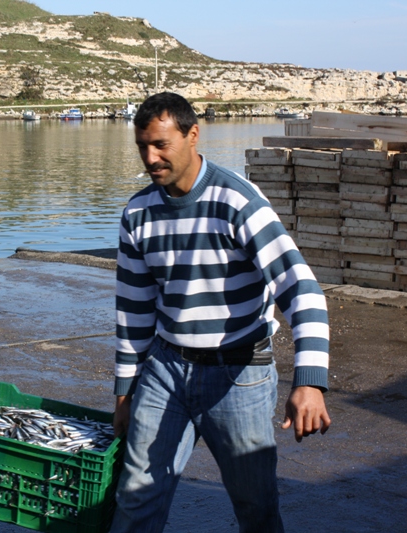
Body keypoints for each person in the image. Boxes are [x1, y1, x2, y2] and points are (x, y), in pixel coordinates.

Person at [110, 92, 331, 533]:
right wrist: (124, 392)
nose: (150, 158)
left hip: (239, 371)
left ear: (193, 135)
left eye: (161, 145)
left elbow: (301, 290)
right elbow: (133, 311)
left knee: (256, 508)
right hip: (166, 369)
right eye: (142, 147)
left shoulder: (238, 202)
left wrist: (310, 382)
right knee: (135, 500)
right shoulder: (137, 213)